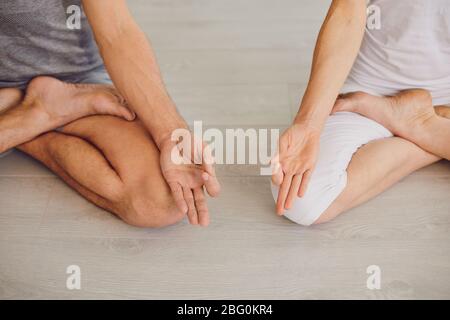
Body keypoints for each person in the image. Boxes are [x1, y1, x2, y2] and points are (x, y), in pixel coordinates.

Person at [0, 0, 220, 228]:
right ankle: (37, 115)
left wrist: (171, 134)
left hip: (76, 78)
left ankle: (35, 111)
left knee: (158, 203)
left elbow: (117, 32)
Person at [272, 0, 450, 226]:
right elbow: (347, 12)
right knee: (301, 199)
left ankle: (423, 124)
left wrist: (430, 128)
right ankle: (427, 125)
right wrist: (309, 124)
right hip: (372, 87)